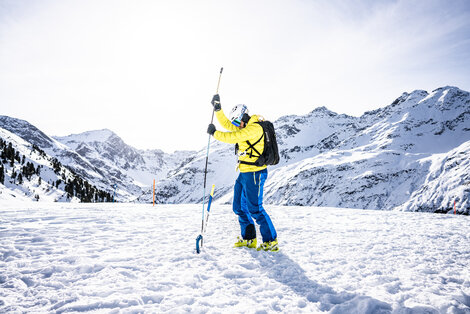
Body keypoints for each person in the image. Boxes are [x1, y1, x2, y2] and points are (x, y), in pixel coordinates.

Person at [207, 94, 278, 252]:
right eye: (236, 122)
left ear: (244, 116)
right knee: (238, 206)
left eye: (238, 121)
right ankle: (249, 239)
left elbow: (234, 137)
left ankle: (271, 241)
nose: (236, 125)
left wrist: (215, 134)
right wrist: (218, 109)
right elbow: (227, 123)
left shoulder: (254, 128)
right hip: (244, 172)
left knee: (255, 209)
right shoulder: (243, 126)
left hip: (255, 173)